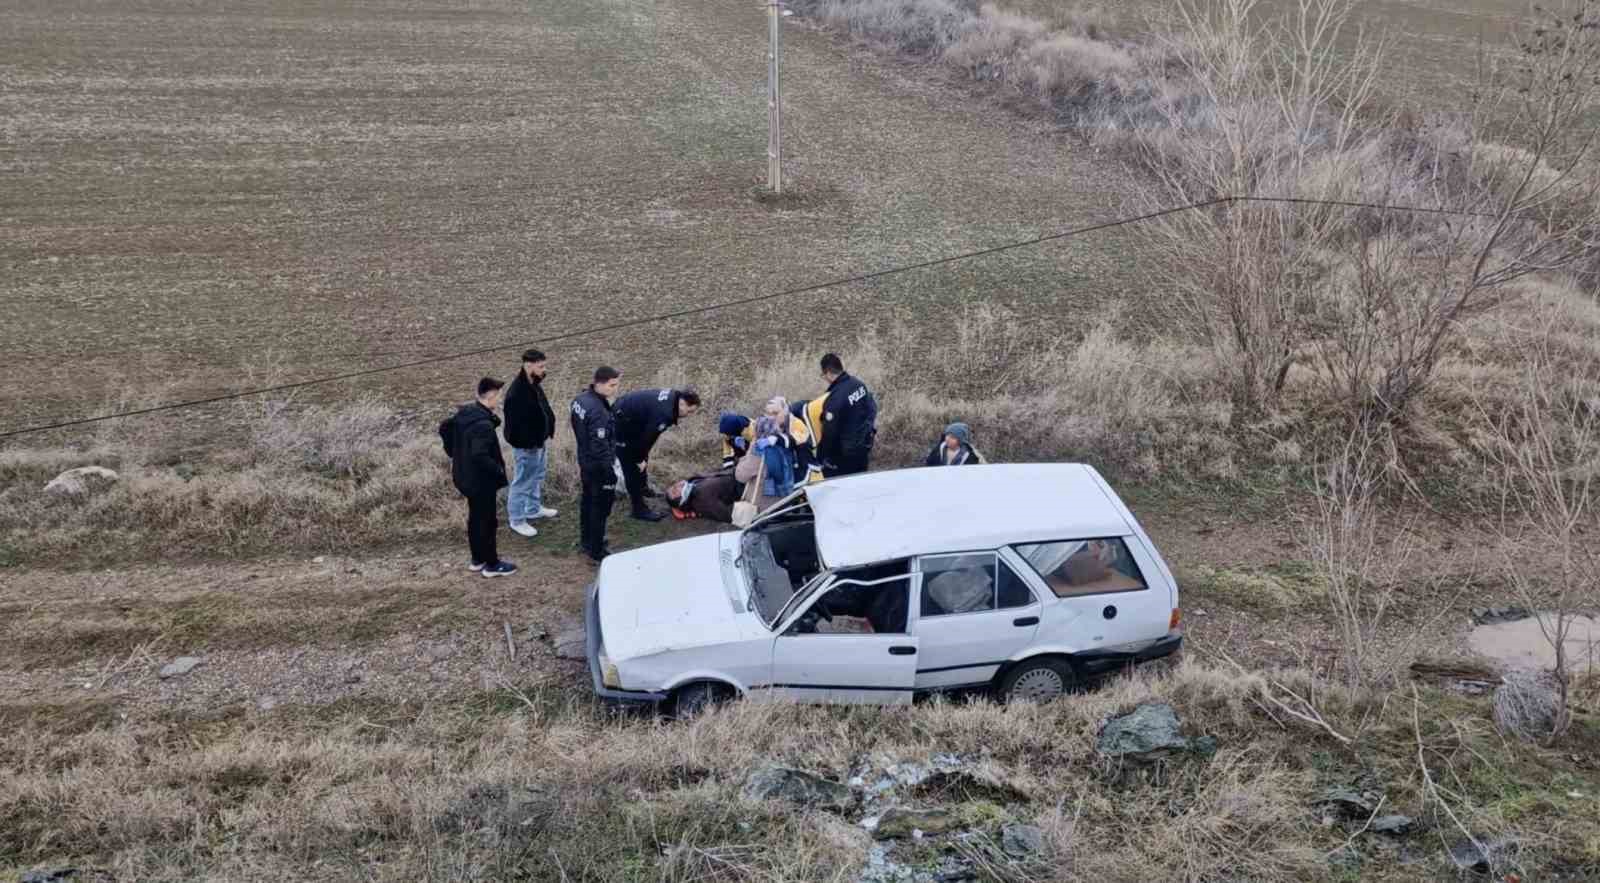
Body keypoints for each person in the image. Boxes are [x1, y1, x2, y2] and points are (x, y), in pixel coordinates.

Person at [438, 377, 516, 577]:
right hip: (480, 481)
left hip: (464, 476)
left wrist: (453, 452)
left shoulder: (465, 413)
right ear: (490, 397)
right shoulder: (482, 424)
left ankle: (477, 559)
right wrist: (498, 470)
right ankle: (492, 565)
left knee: (475, 518)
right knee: (488, 521)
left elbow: (445, 428)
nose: (499, 400)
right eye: (498, 396)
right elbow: (479, 454)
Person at [613, 386, 701, 522]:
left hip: (631, 418)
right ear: (682, 403)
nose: (688, 415)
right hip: (620, 425)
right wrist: (639, 459)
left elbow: (648, 440)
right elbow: (646, 438)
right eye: (689, 411)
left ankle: (643, 488)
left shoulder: (674, 397)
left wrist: (643, 456)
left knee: (642, 455)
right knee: (631, 467)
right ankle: (639, 509)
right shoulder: (664, 413)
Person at [502, 349, 558, 538]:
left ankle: (533, 509)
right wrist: (530, 444)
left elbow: (541, 409)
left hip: (538, 442)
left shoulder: (533, 383)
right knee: (523, 482)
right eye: (541, 366)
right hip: (528, 446)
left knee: (537, 476)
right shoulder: (516, 393)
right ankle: (517, 520)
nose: (544, 369)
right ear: (528, 365)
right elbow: (514, 428)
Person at [571, 366, 622, 564]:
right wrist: (610, 472)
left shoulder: (580, 400)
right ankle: (596, 549)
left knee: (587, 501)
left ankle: (587, 540)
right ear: (599, 383)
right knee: (600, 507)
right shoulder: (598, 411)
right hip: (598, 466)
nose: (615, 389)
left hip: (584, 460)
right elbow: (600, 445)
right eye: (612, 385)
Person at [815, 353, 878, 478]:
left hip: (844, 456)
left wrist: (821, 456)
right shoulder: (859, 384)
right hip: (863, 448)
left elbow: (829, 433)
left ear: (828, 372)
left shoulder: (834, 399)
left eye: (823, 375)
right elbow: (872, 409)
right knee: (860, 482)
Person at [735, 408, 798, 512]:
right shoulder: (785, 445)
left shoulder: (759, 452)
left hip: (763, 508)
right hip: (785, 502)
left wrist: (746, 454)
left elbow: (740, 476)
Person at [665, 468, 744, 523]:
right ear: (682, 501)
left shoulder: (692, 482)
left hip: (736, 471)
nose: (676, 486)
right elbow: (728, 515)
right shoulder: (703, 502)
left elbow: (716, 474)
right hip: (743, 485)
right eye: (675, 491)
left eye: (673, 486)